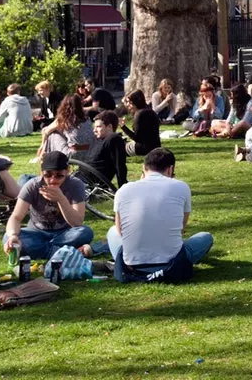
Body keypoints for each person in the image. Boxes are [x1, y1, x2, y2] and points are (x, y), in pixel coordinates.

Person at [104, 147, 212, 283]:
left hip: (132, 265)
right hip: (171, 264)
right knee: (205, 238)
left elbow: (120, 230)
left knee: (112, 232)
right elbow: (181, 228)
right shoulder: (181, 187)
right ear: (170, 169)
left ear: (144, 167)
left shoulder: (124, 190)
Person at [4, 150, 92, 258]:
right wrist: (12, 236)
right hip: (37, 232)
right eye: (48, 175)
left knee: (85, 232)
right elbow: (16, 217)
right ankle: (67, 252)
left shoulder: (75, 185)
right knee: (8, 237)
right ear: (41, 172)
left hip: (64, 233)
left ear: (68, 171)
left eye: (59, 176)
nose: (52, 180)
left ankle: (47, 251)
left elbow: (77, 222)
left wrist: (61, 199)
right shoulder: (33, 186)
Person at [81, 110, 131, 187]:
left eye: (98, 127)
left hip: (91, 180)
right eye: (95, 127)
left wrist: (122, 187)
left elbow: (119, 165)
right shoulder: (97, 138)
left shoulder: (114, 139)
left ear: (109, 126)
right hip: (82, 175)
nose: (94, 130)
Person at [122, 90, 163, 155]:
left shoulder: (140, 114)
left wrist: (123, 127)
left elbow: (137, 138)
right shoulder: (149, 111)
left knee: (117, 146)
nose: (127, 105)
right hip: (155, 146)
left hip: (144, 148)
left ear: (135, 103)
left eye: (130, 102)